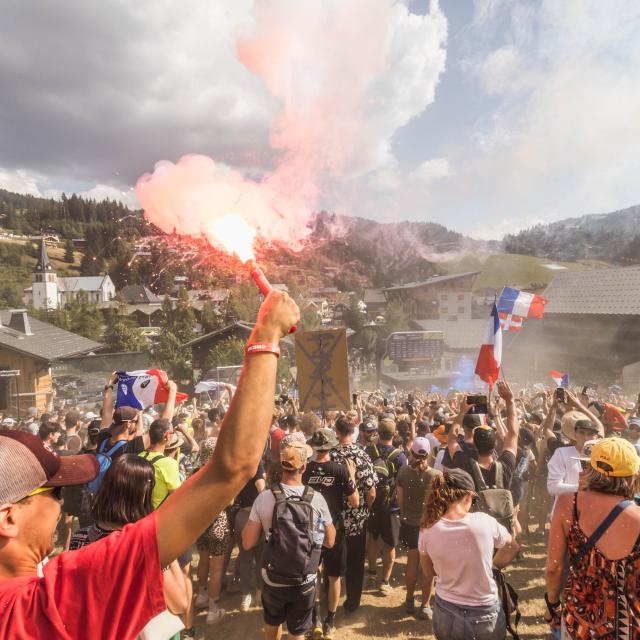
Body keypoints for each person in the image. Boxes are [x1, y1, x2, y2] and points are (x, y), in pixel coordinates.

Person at [0, 289, 300, 639]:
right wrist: (266, 333)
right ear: (8, 517)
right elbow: (233, 468)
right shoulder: (50, 601)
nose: (61, 501)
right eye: (53, 492)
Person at [70, 454, 192, 639]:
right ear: (143, 492)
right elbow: (179, 602)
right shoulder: (146, 544)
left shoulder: (80, 538)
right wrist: (167, 547)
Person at [545, 437, 640, 639]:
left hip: (579, 621)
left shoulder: (568, 504)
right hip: (629, 626)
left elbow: (555, 567)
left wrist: (552, 604)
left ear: (591, 468)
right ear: (634, 475)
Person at [243, 438, 336, 640]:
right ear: (304, 466)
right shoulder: (317, 499)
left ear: (282, 465)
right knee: (297, 632)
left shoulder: (264, 498)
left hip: (273, 577)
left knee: (272, 624)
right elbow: (330, 541)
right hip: (305, 579)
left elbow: (248, 542)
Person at [419, 468, 519, 640]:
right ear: (467, 497)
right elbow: (512, 547)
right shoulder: (485, 521)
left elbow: (429, 572)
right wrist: (493, 566)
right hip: (485, 612)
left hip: (447, 610)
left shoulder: (427, 528)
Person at [303, 427, 358, 639]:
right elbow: (355, 502)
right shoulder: (340, 470)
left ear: (315, 448)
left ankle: (315, 617)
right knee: (334, 576)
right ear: (331, 447)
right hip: (334, 528)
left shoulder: (305, 469)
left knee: (313, 573)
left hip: (309, 529)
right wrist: (351, 476)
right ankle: (330, 621)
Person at [330, 414, 377, 613]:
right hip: (357, 518)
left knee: (332, 560)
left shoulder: (329, 455)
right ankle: (352, 602)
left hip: (334, 518)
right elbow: (371, 491)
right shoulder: (363, 455)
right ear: (353, 431)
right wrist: (367, 508)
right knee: (355, 562)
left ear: (337, 432)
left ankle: (329, 595)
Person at [396, 436, 441, 619]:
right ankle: (425, 605)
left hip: (410, 523)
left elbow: (400, 500)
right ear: (429, 453)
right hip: (429, 526)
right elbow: (437, 504)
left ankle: (408, 600)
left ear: (411, 452)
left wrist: (405, 514)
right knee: (428, 568)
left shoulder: (403, 472)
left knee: (412, 562)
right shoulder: (435, 475)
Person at [193, 436, 232, 625]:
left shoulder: (194, 472)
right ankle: (213, 609)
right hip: (218, 523)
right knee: (216, 569)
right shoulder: (221, 474)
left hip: (199, 523)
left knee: (203, 560)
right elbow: (230, 502)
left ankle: (201, 594)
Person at [366, 417, 407, 594]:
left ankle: (372, 571)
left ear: (377, 432)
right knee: (390, 544)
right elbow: (401, 484)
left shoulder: (368, 450)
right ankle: (385, 581)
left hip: (373, 503)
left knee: (373, 538)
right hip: (391, 507)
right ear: (394, 433)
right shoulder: (400, 456)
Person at [547, 395, 603, 502]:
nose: (586, 437)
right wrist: (583, 488)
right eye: (581, 432)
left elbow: (599, 425)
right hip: (566, 512)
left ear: (596, 436)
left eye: (590, 434)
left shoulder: (602, 454)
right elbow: (553, 487)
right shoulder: (561, 452)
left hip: (592, 512)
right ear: (575, 434)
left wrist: (578, 404)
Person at [232, 459, 266, 611]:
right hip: (255, 516)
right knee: (260, 557)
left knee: (245, 557)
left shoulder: (237, 464)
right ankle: (259, 592)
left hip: (241, 514)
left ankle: (248, 594)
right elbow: (261, 488)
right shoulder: (255, 464)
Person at [139, 418, 183, 509]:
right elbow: (177, 497)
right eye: (172, 433)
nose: (173, 435)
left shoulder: (139, 456)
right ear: (167, 435)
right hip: (155, 517)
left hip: (136, 514)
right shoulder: (169, 464)